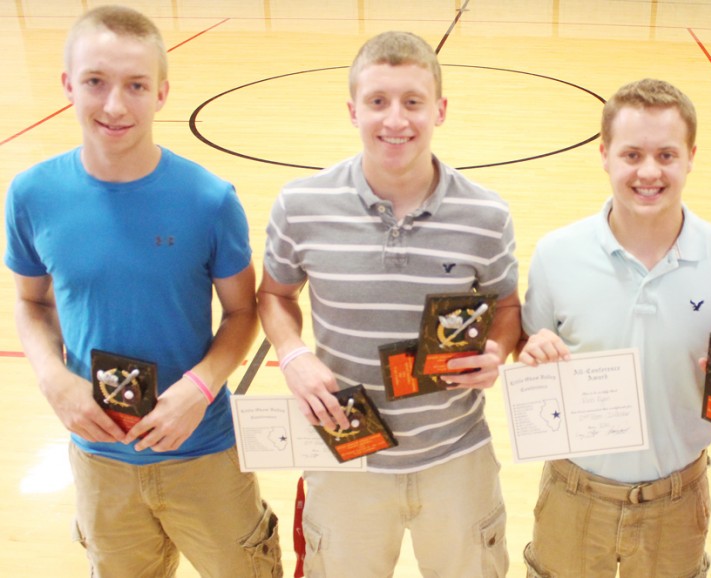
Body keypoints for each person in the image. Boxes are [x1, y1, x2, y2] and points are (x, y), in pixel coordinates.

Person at [4, 5, 282, 577]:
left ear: (161, 93)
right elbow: (31, 302)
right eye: (95, 83)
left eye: (135, 85)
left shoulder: (209, 199)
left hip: (203, 450)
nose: (113, 105)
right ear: (67, 85)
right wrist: (53, 379)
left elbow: (240, 314)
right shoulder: (31, 195)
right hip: (98, 460)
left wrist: (200, 389)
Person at [257, 31, 520, 577]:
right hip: (346, 450)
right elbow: (275, 294)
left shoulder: (486, 216)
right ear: (353, 109)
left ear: (440, 110)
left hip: (455, 453)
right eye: (378, 101)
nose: (395, 120)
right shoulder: (301, 205)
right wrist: (292, 355)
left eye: (412, 102)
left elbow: (507, 306)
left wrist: (496, 350)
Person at [518, 78, 711, 577]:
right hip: (572, 493)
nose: (649, 171)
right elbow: (530, 350)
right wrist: (531, 351)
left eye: (666, 155)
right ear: (604, 155)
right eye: (632, 155)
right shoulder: (556, 254)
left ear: (691, 156)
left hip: (678, 500)